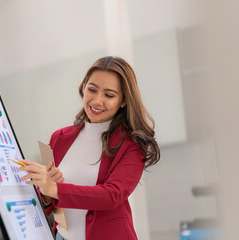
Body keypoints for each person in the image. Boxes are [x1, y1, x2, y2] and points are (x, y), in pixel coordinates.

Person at [18, 56, 160, 240]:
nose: (97, 100)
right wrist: (45, 193)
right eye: (92, 89)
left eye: (109, 95)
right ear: (84, 88)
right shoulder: (59, 138)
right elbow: (50, 201)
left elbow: (112, 195)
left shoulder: (132, 144)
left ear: (123, 101)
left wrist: (54, 189)